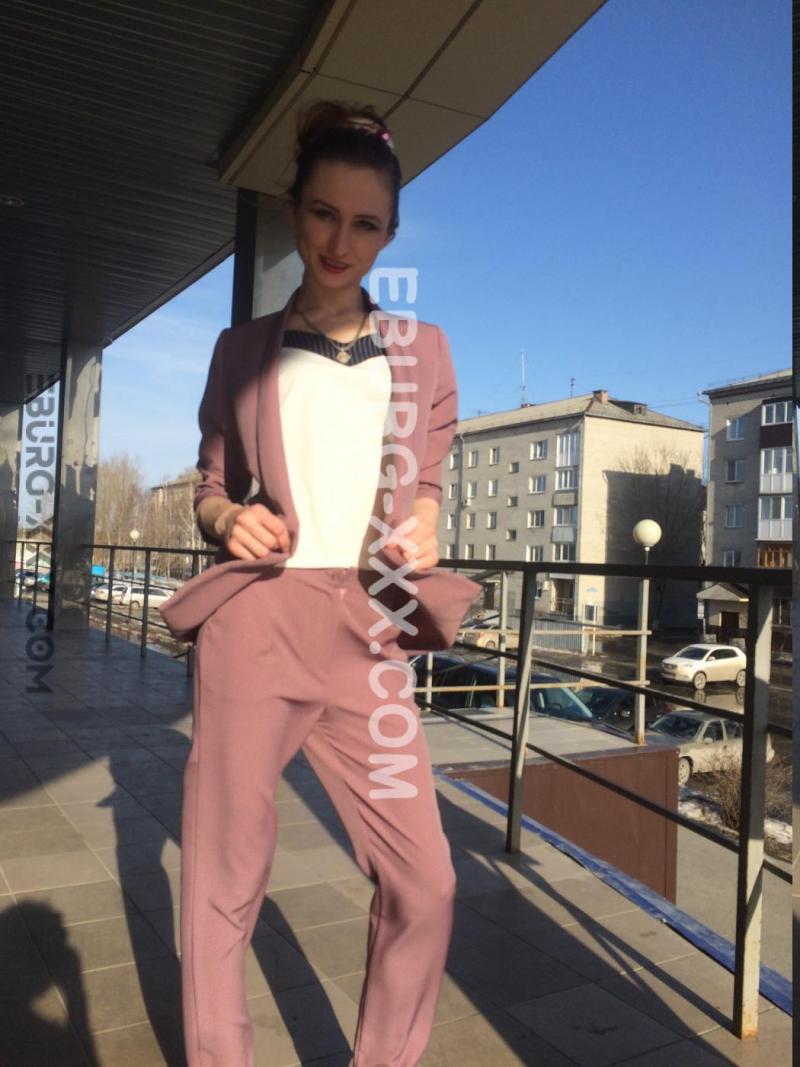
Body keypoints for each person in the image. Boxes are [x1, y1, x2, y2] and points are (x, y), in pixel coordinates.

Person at [177, 99, 475, 1067]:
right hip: (257, 623)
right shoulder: (241, 351)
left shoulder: (424, 352)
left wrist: (425, 521)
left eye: (365, 224)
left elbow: (425, 487)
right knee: (222, 879)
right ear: (293, 209)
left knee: (425, 881)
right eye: (322, 214)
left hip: (368, 635)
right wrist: (227, 519)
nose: (340, 243)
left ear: (390, 234)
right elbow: (210, 487)